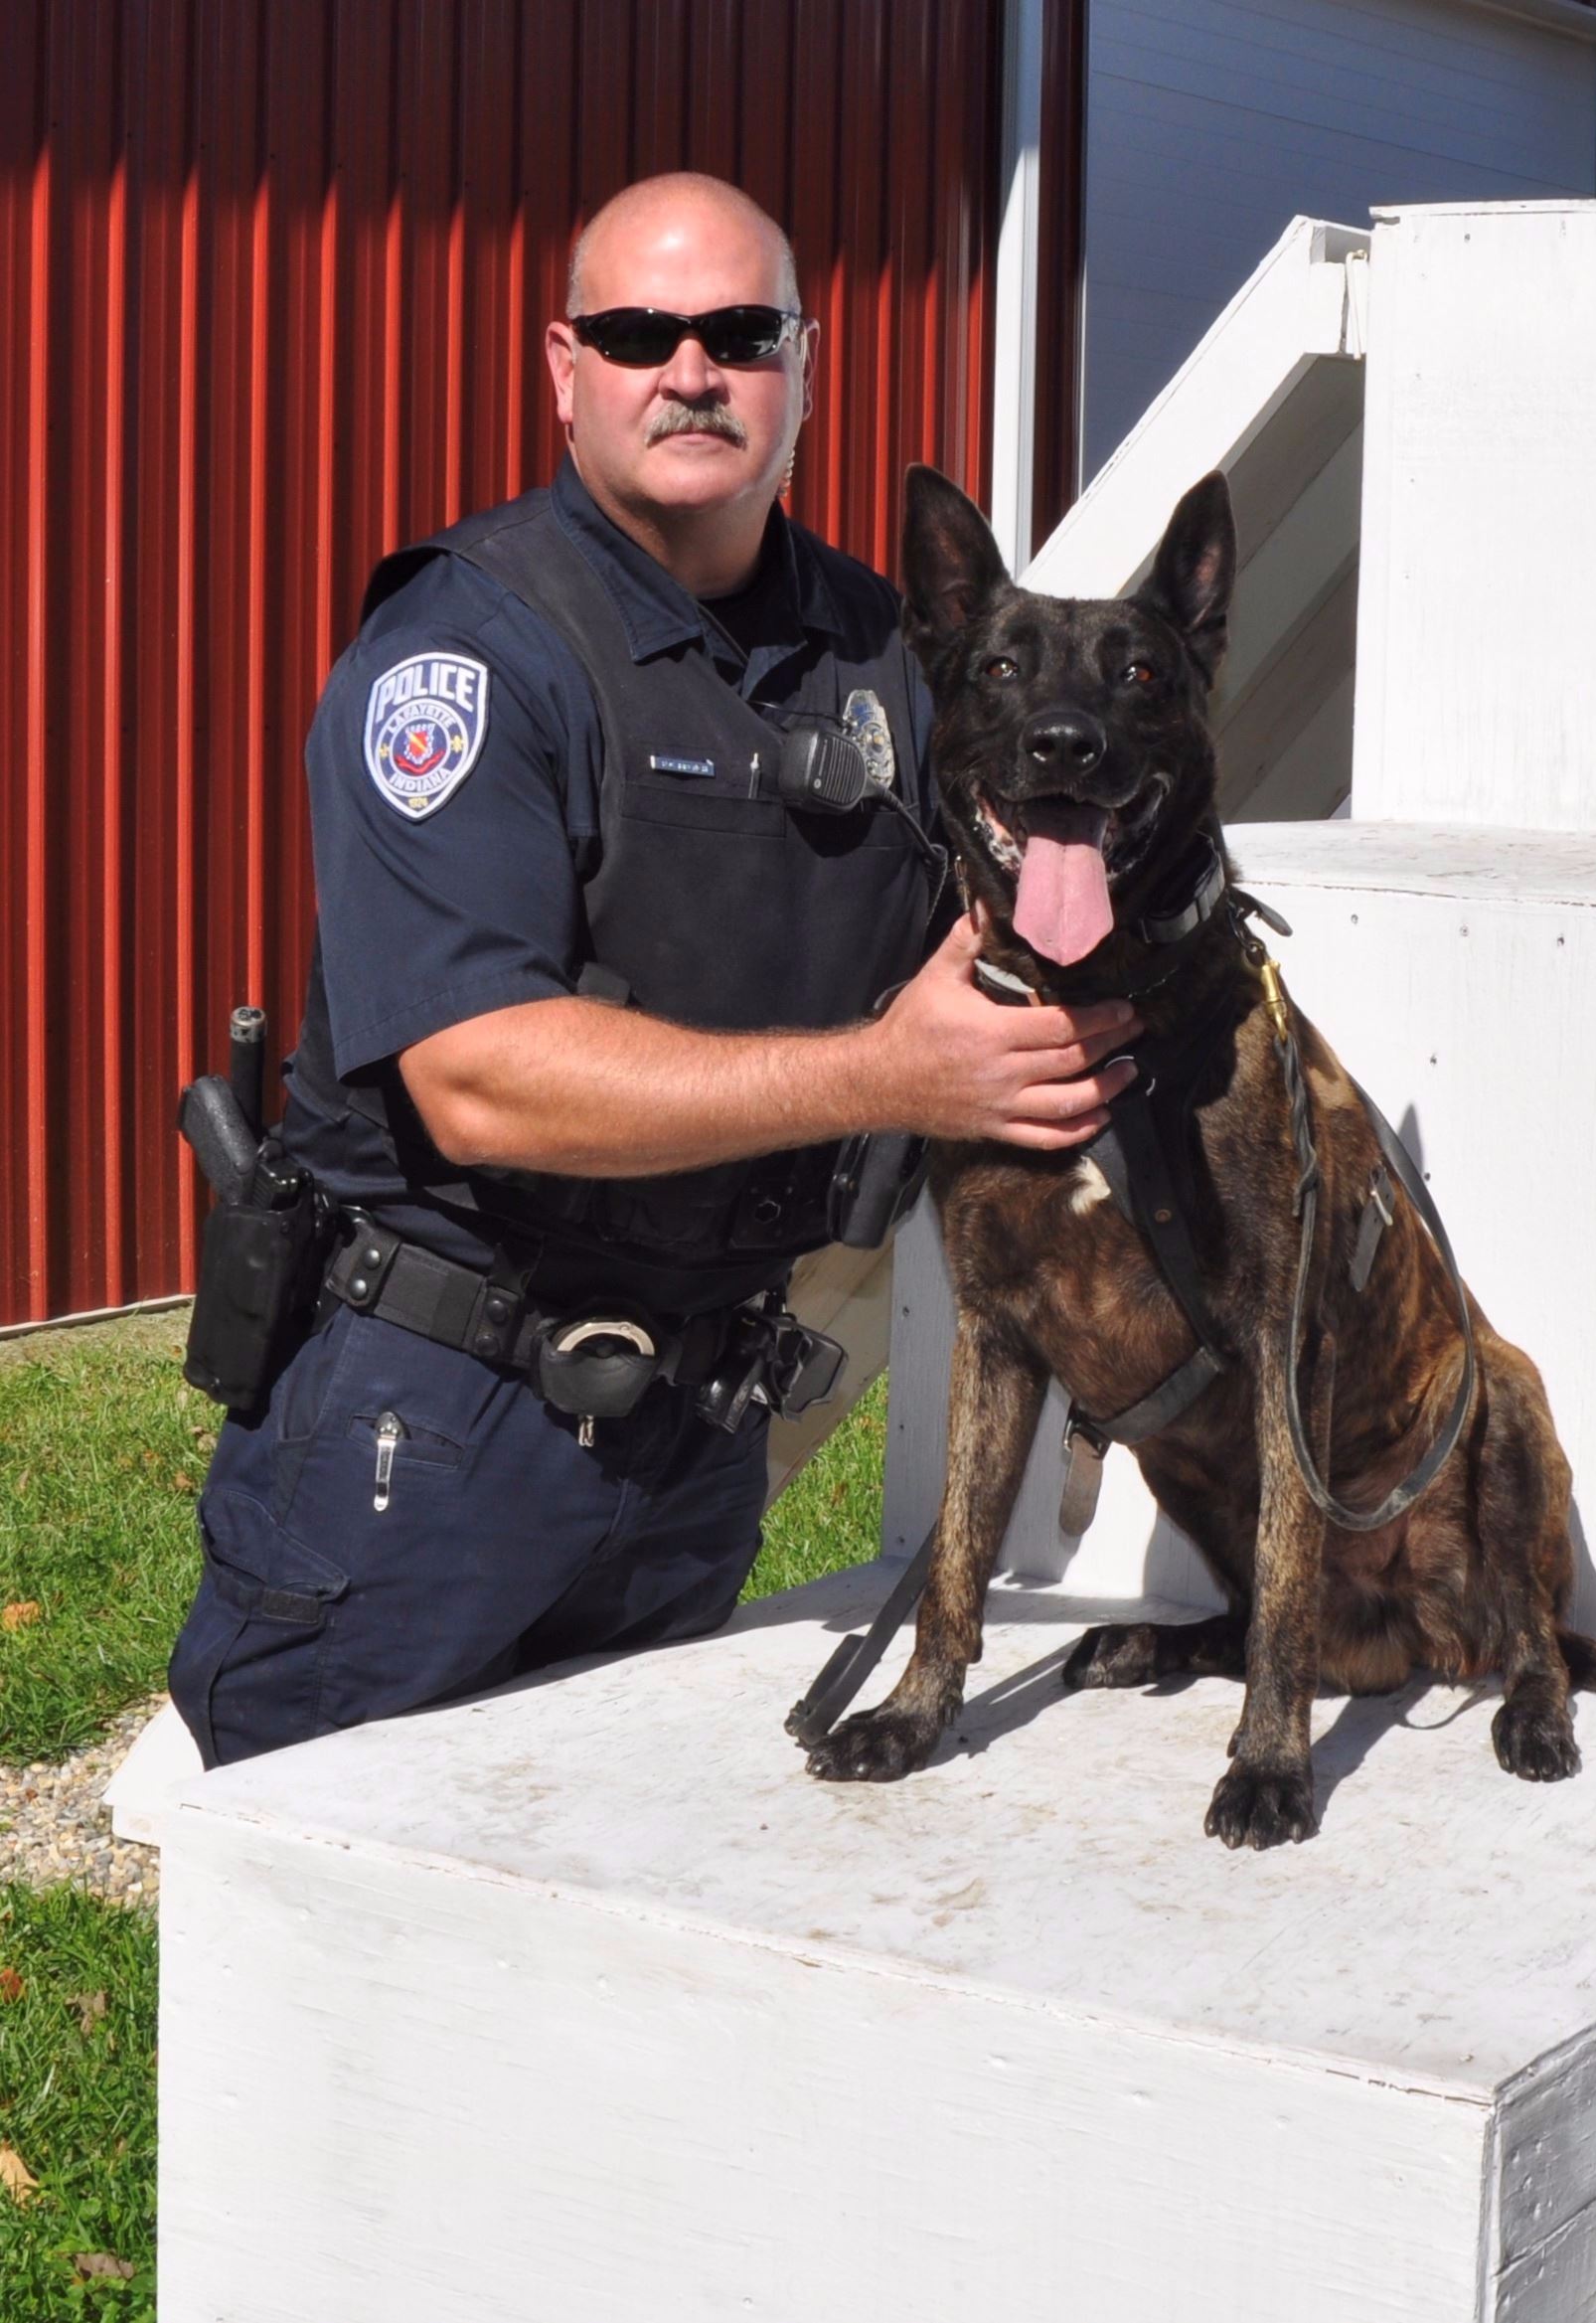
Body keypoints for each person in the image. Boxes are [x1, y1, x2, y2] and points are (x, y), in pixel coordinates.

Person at [168, 172, 1139, 1769]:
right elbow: (477, 1076)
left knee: (613, 1907)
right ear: (567, 370)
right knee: (342, 1938)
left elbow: (1054, 858)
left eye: (740, 332)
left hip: (693, 1436)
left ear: (804, 364)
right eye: (639, 332)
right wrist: (884, 1072)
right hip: (428, 1431)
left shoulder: (886, 649)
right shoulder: (471, 651)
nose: (691, 369)